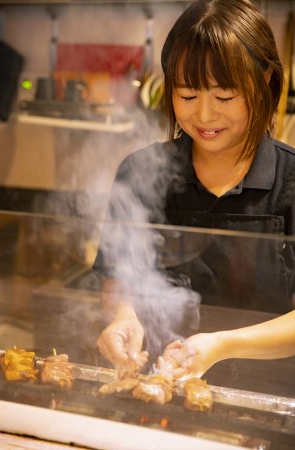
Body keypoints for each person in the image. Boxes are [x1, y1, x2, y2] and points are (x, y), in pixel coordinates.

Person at [95, 0, 295, 376]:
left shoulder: (291, 179)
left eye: (224, 96)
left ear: (266, 79)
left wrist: (223, 344)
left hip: (267, 398)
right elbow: (117, 275)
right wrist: (123, 315)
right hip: (158, 385)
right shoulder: (140, 171)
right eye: (187, 95)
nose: (204, 115)